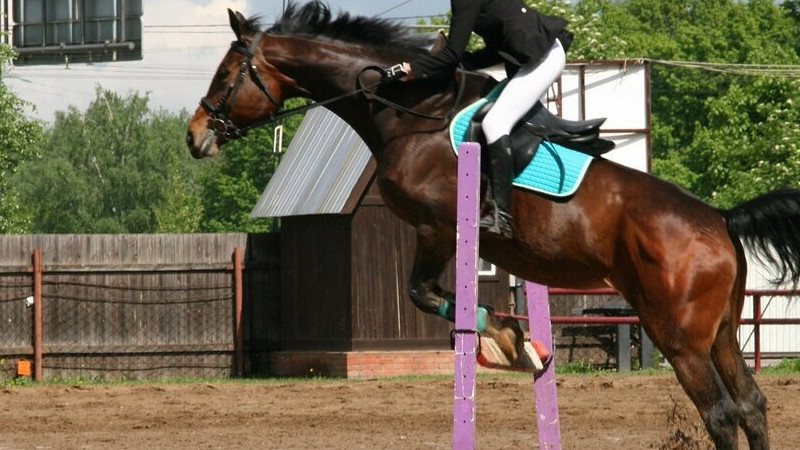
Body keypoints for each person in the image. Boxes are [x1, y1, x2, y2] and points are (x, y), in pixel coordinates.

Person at [395, 0, 573, 239]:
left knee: (495, 123)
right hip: (536, 56)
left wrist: (413, 69)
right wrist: (462, 63)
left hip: (544, 58)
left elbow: (450, 54)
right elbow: (491, 50)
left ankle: (502, 215)